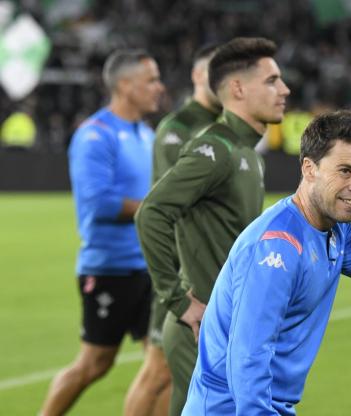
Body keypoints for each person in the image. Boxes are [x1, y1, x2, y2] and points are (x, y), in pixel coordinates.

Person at [182, 109, 351, 415]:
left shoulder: (335, 231)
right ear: (309, 169)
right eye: (345, 171)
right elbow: (248, 357)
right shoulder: (278, 248)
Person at [135, 37, 290, 416]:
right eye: (271, 81)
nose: (284, 90)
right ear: (238, 88)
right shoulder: (217, 149)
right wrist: (176, 299)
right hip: (199, 330)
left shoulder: (246, 153)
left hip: (228, 326)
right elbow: (151, 212)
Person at [39, 49, 164, 416]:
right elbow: (99, 203)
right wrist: (158, 209)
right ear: (125, 85)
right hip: (111, 268)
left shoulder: (147, 133)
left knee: (164, 365)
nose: (159, 87)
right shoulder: (96, 135)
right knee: (95, 364)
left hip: (151, 267)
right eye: (151, 80)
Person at [124, 44, 221, 416]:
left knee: (179, 376)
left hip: (209, 270)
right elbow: (164, 209)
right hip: (181, 273)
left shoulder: (230, 127)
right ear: (198, 76)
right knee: (157, 370)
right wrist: (176, 282)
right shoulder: (177, 130)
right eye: (215, 70)